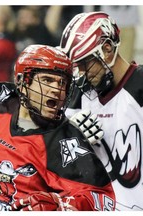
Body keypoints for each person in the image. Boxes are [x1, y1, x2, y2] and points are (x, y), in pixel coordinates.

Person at [0, 44, 115, 211]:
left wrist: (61, 206)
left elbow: (102, 198)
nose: (57, 90)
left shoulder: (64, 140)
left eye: (62, 83)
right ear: (23, 82)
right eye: (47, 80)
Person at [60, 11, 143, 211]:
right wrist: (71, 133)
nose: (81, 73)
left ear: (107, 49)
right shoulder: (80, 96)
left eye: (84, 63)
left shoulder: (140, 85)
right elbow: (61, 159)